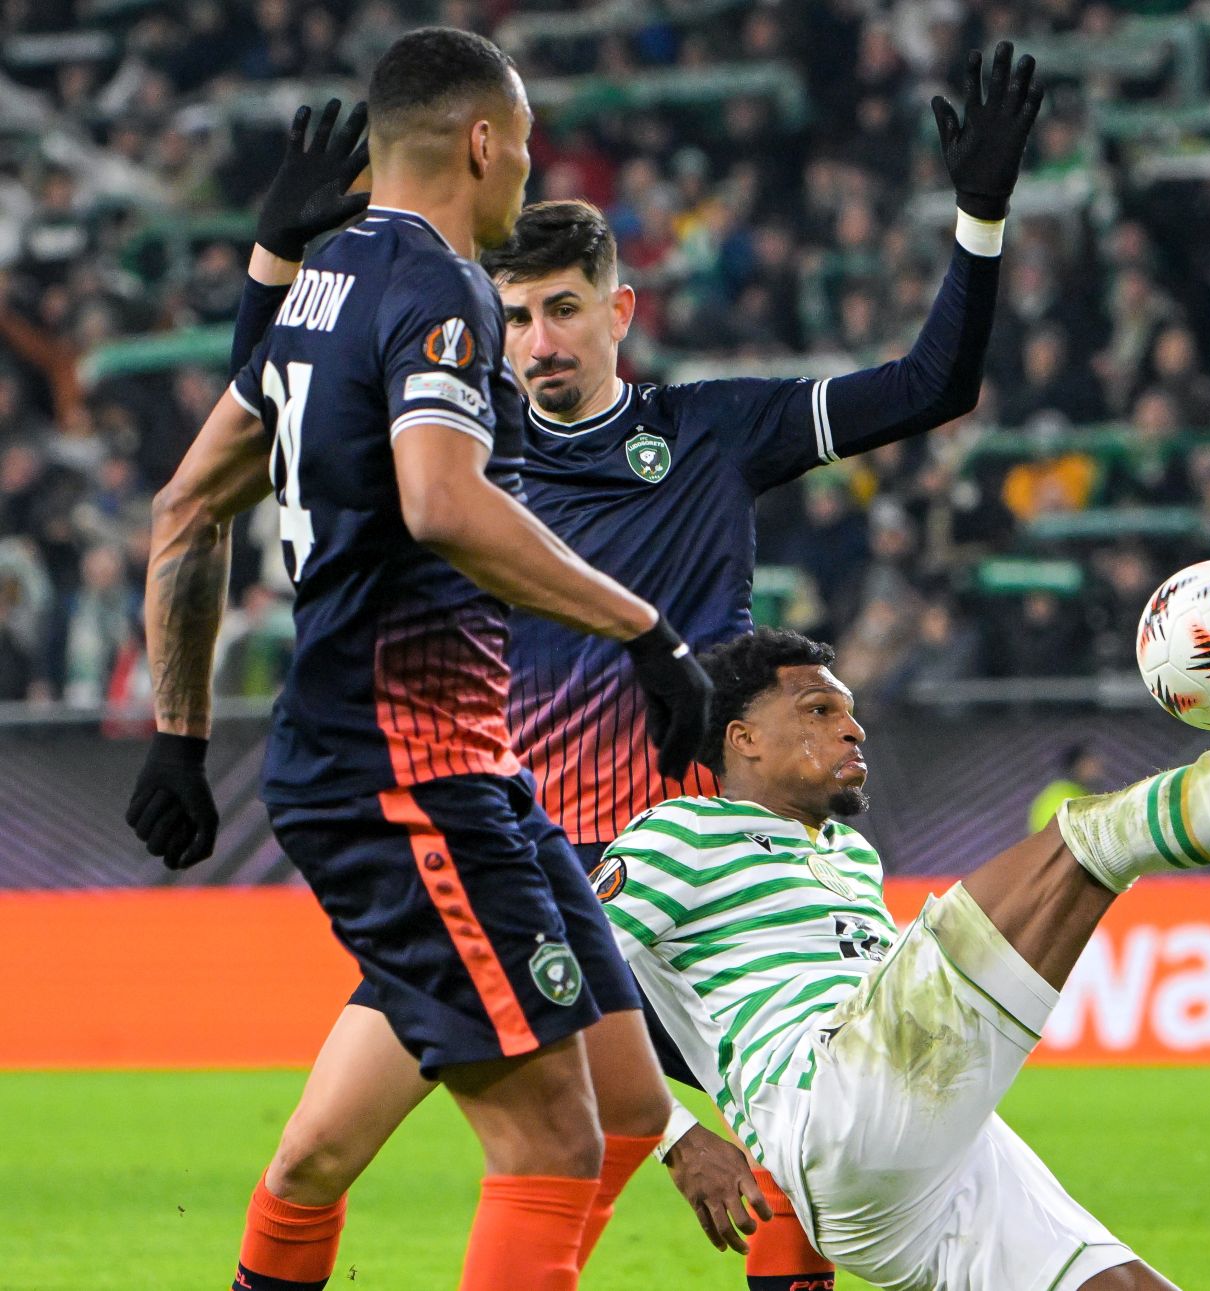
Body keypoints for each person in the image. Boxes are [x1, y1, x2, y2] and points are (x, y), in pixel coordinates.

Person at [218, 41, 1043, 1290]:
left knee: (789, 1171)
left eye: (563, 309)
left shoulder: (710, 433)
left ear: (620, 311)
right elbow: (266, 424)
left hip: (704, 889)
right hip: (512, 872)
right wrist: (272, 270)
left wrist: (977, 221)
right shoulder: (451, 454)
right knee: (312, 1156)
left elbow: (932, 385)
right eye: (514, 316)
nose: (538, 340)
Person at [124, 29, 713, 1291]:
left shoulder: (318, 283)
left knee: (614, 1102)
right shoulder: (441, 287)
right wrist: (645, 630)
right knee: (551, 1142)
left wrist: (182, 737)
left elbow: (186, 505)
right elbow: (442, 503)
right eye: (527, 148)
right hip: (405, 770)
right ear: (483, 142)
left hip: (456, 771)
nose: (529, 173)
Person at [599, 626, 1210, 1290]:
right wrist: (677, 1139)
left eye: (851, 710)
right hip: (833, 1111)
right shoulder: (680, 835)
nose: (854, 729)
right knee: (1092, 839)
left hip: (916, 1175)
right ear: (742, 740)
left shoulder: (845, 855)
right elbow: (564, 985)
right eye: (818, 709)